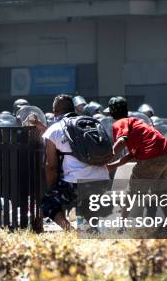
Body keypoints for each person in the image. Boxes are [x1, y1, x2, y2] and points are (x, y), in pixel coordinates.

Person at [34, 94, 110, 230]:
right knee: (86, 200)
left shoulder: (54, 129)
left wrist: (51, 189)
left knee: (48, 202)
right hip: (103, 181)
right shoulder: (90, 123)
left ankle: (68, 230)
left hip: (76, 183)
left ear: (55, 111)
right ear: (73, 108)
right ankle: (93, 228)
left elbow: (51, 167)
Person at [107, 96, 167, 218]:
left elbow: (121, 141)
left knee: (131, 193)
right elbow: (133, 154)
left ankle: (121, 228)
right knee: (161, 192)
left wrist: (109, 158)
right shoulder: (137, 123)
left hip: (151, 158)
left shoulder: (120, 123)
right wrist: (114, 165)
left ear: (112, 111)